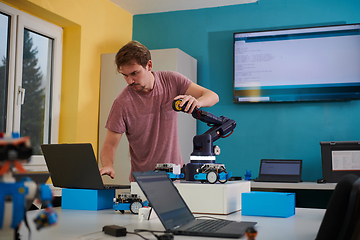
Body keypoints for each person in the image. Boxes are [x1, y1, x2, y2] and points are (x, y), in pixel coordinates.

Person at [99, 41, 219, 182]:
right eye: (125, 75)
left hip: (176, 177)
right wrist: (108, 164)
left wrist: (198, 102)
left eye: (134, 73)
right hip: (142, 182)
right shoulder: (122, 103)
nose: (130, 81)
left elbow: (212, 96)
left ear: (149, 65)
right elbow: (109, 144)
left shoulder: (172, 80)